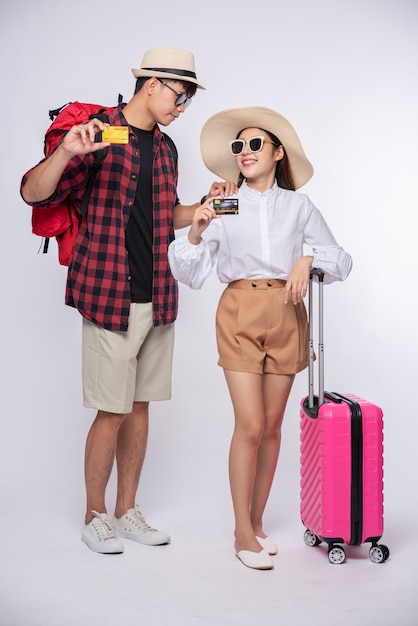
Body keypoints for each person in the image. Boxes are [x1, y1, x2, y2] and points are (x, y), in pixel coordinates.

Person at [20, 48, 237, 555]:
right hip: (109, 295)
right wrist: (68, 152)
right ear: (153, 83)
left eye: (187, 99)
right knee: (110, 411)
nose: (182, 107)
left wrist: (202, 209)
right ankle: (94, 515)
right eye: (180, 96)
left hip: (158, 295)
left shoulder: (167, 149)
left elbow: (166, 215)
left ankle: (126, 511)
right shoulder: (100, 132)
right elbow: (34, 194)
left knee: (140, 408)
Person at [168, 106, 353, 570]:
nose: (245, 152)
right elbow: (190, 273)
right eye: (238, 146)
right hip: (239, 312)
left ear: (277, 152)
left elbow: (342, 261)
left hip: (288, 314)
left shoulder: (299, 206)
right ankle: (240, 532)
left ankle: (255, 521)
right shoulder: (226, 201)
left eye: (255, 144)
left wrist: (307, 262)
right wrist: (196, 229)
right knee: (249, 425)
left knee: (271, 427)